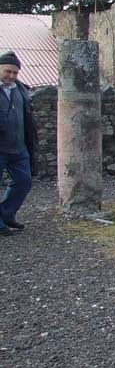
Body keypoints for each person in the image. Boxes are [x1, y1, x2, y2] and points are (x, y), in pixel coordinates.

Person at [0, 51, 39, 236]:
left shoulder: (20, 89)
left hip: (18, 147)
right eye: (8, 71)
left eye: (15, 72)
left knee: (24, 181)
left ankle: (6, 214)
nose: (11, 76)